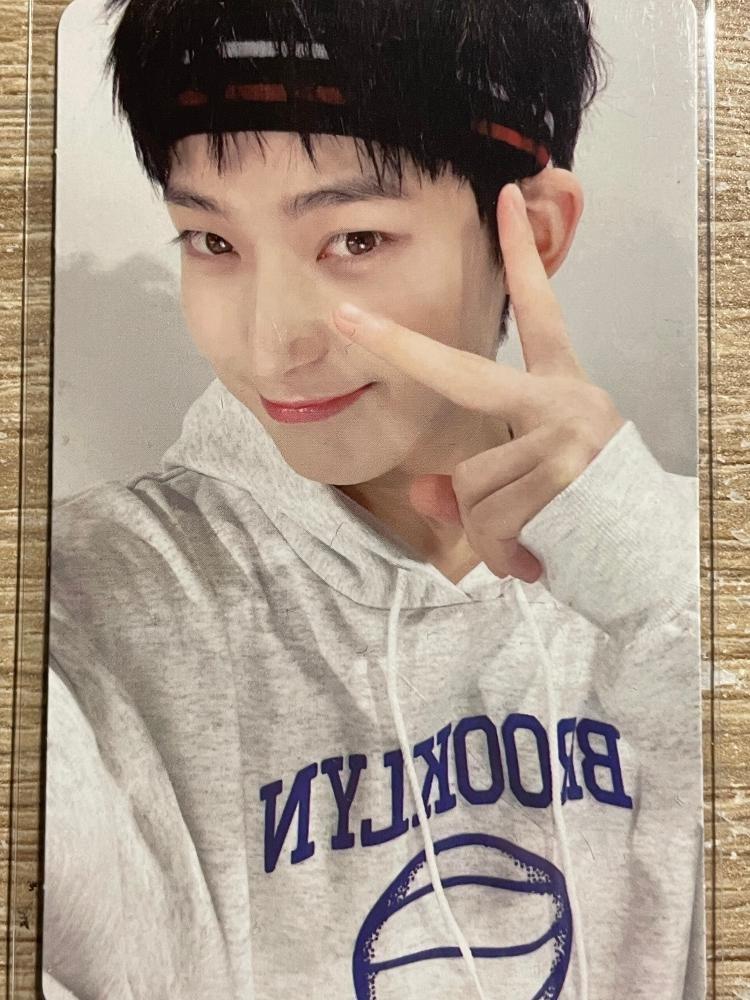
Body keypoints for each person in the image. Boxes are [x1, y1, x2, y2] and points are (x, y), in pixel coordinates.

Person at [42, 0, 704, 997]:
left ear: (531, 232)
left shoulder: (692, 570)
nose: (270, 345)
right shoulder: (83, 603)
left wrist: (659, 593)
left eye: (354, 238)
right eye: (210, 241)